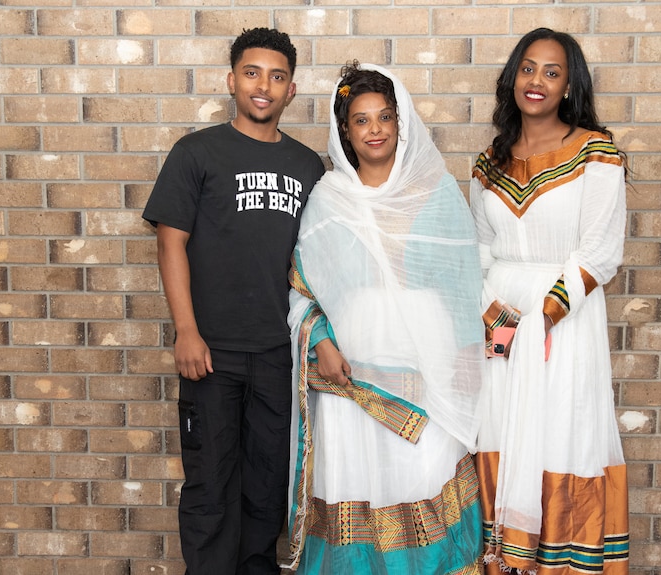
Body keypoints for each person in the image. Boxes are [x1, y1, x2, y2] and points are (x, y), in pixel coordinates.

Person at [283, 62, 485, 574]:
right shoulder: (330, 199)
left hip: (428, 360)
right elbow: (302, 288)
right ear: (345, 132)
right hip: (349, 368)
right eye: (361, 120)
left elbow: (463, 282)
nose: (375, 129)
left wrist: (466, 351)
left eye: (384, 117)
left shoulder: (435, 190)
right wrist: (321, 342)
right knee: (358, 481)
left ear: (401, 122)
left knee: (424, 474)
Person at [142, 27, 325, 575]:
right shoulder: (197, 152)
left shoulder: (309, 166)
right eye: (252, 73)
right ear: (232, 81)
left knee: (267, 489)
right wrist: (186, 331)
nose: (263, 86)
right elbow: (170, 241)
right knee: (211, 486)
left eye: (277, 76)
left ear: (292, 90)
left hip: (277, 353)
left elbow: (318, 264)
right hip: (212, 353)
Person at [470, 28, 630, 575]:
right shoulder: (488, 162)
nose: (536, 81)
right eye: (528, 68)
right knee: (499, 435)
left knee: (560, 434)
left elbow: (602, 251)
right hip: (502, 328)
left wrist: (543, 318)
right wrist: (498, 319)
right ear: (513, 76)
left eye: (552, 72)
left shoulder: (596, 152)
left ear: (568, 85)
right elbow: (477, 251)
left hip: (563, 325)